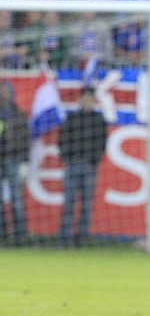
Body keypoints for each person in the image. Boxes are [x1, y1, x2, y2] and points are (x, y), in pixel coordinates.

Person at [58, 87, 107, 247]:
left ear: (94, 101)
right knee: (69, 203)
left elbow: (102, 144)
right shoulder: (72, 118)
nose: (86, 101)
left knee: (86, 205)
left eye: (89, 98)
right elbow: (62, 140)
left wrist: (93, 161)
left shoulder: (98, 120)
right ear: (80, 100)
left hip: (88, 166)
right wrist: (67, 158)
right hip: (72, 165)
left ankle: (81, 241)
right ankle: (65, 240)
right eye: (84, 98)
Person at [0, 80, 30, 246]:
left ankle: (21, 237)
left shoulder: (18, 114)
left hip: (14, 159)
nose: (4, 94)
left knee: (17, 200)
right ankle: (2, 236)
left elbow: (26, 139)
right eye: (2, 91)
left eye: (6, 91)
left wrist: (25, 162)